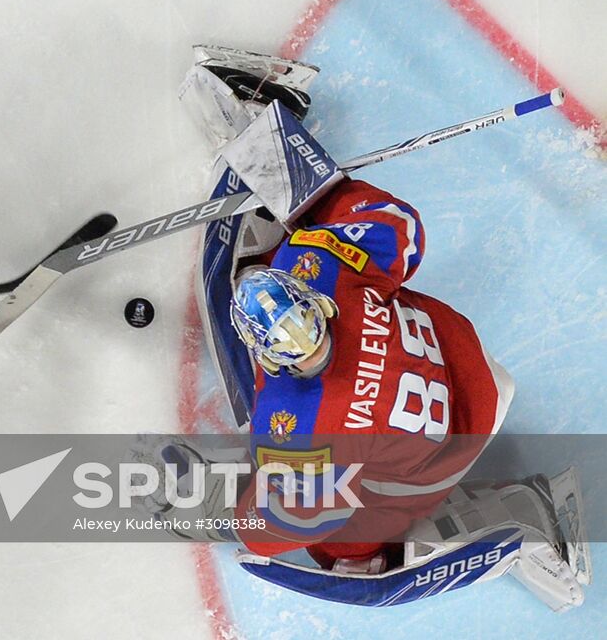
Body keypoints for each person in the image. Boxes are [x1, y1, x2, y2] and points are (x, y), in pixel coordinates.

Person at [143, 45, 590, 611]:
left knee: (354, 560)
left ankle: (525, 519)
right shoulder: (326, 275)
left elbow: (276, 527)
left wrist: (227, 509)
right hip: (473, 372)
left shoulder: (301, 427)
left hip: (440, 452)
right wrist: (322, 204)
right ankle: (261, 124)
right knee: (306, 236)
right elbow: (400, 230)